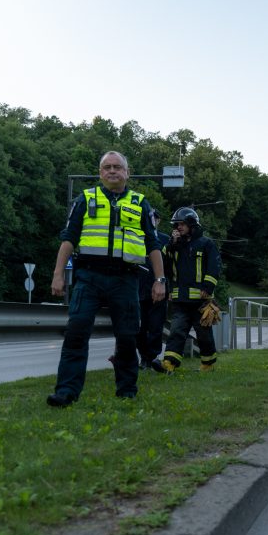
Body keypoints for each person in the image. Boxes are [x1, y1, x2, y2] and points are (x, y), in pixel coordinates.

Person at [47, 151, 166, 407]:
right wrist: (58, 274)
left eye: (117, 167)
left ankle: (126, 392)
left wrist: (160, 279)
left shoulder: (140, 203)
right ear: (100, 173)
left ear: (127, 172)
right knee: (76, 332)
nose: (112, 171)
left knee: (127, 337)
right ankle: (66, 392)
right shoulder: (85, 199)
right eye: (107, 167)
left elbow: (153, 245)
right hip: (88, 276)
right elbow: (69, 238)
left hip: (125, 279)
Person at [160, 207, 222, 372]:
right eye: (176, 225)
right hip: (180, 299)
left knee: (203, 334)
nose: (178, 227)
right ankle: (169, 364)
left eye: (182, 224)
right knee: (176, 332)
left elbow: (214, 267)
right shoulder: (173, 246)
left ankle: (207, 364)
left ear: (192, 224)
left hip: (201, 300)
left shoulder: (206, 244)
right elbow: (164, 266)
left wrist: (208, 287)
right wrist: (172, 245)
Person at [135, 209, 170, 372]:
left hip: (160, 290)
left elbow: (171, 266)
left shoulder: (165, 240)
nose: (151, 221)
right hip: (140, 288)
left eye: (154, 218)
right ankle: (143, 356)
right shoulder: (136, 238)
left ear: (158, 220)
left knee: (156, 326)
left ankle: (152, 357)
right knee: (140, 327)